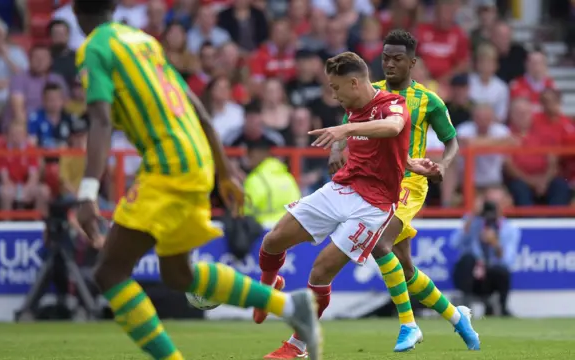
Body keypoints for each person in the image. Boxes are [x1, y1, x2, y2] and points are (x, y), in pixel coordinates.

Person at [70, 2, 323, 360]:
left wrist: (87, 192)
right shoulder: (143, 42)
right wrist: (222, 169)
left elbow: (99, 122)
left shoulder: (94, 48)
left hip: (168, 163)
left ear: (76, 11)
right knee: (177, 274)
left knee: (110, 271)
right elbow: (198, 108)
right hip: (196, 159)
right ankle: (290, 306)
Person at [260, 30, 479, 359]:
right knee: (405, 268)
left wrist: (443, 167)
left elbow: (429, 136)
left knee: (380, 245)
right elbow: (358, 126)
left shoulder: (421, 100)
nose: (390, 63)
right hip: (357, 181)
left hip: (406, 186)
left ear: (412, 63)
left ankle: (407, 323)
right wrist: (338, 143)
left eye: (397, 58)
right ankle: (455, 315)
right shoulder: (365, 91)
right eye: (385, 57)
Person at [451, 196, 520, 316]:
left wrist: (495, 244)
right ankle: (467, 305)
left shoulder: (509, 229)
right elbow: (454, 243)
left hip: (490, 275)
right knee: (468, 259)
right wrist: (472, 217)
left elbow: (507, 262)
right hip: (470, 274)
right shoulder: (473, 222)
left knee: (502, 272)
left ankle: (503, 308)